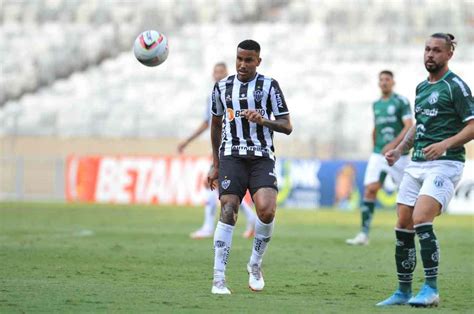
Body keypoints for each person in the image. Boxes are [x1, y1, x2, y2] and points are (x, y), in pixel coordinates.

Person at [377, 33, 474, 307]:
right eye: (427, 49)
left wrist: (445, 144)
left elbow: (472, 125)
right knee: (403, 224)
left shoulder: (455, 86)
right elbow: (416, 129)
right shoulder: (421, 88)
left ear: (449, 55)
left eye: (437, 51)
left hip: (446, 163)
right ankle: (403, 291)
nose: (430, 55)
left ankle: (431, 289)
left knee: (421, 218)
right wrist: (399, 150)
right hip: (416, 163)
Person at [207, 39, 292, 294]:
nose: (243, 65)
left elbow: (287, 126)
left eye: (249, 60)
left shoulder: (269, 86)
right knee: (229, 209)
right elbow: (216, 124)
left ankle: (255, 264)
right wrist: (215, 163)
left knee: (266, 211)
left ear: (258, 61)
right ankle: (218, 278)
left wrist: (264, 121)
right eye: (239, 59)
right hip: (231, 156)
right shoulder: (222, 87)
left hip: (261, 156)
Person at [177, 62, 256, 239]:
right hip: (221, 146)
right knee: (225, 188)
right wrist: (187, 141)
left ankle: (208, 227)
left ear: (228, 74)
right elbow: (208, 123)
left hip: (232, 146)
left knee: (212, 184)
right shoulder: (213, 96)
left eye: (222, 72)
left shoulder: (234, 92)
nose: (218, 75)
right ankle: (252, 219)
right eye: (216, 72)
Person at [346, 71, 413, 245]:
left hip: (401, 155)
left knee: (408, 193)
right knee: (370, 189)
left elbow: (408, 126)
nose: (384, 83)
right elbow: (376, 126)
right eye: (381, 80)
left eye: (387, 79)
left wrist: (394, 146)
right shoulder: (376, 104)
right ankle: (364, 234)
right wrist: (375, 145)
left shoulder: (401, 102)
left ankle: (410, 230)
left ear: (393, 82)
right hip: (379, 153)